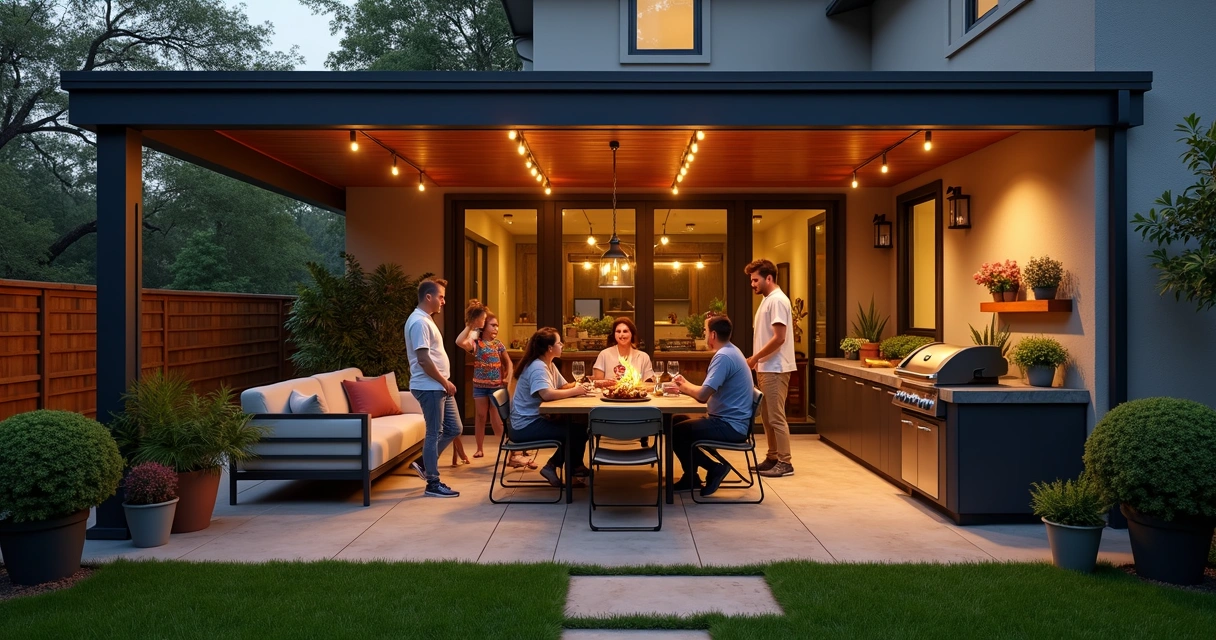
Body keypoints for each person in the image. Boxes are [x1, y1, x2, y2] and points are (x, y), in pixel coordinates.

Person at [670, 314, 755, 497]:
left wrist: (683, 387)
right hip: (732, 421)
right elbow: (705, 390)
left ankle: (715, 468)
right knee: (676, 421)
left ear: (713, 335)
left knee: (676, 432)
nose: (704, 334)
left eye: (705, 331)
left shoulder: (723, 356)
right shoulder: (732, 351)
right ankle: (691, 477)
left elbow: (702, 396)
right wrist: (684, 384)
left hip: (730, 426)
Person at [510, 327, 593, 488]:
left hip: (534, 420)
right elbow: (547, 394)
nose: (562, 345)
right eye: (559, 343)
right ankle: (555, 467)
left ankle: (574, 468)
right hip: (524, 425)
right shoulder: (538, 367)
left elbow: (562, 386)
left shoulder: (548, 364)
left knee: (581, 426)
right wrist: (575, 390)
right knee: (574, 432)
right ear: (550, 348)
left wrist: (581, 384)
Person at [405, 277, 462, 498]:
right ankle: (433, 483)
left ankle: (423, 462)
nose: (444, 301)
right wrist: (444, 381)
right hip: (430, 387)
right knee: (434, 432)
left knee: (454, 428)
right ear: (428, 297)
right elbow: (423, 359)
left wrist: (444, 382)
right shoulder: (419, 322)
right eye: (441, 297)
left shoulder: (426, 320)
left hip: (438, 386)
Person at [455, 304, 531, 468]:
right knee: (480, 416)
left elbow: (509, 362)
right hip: (480, 386)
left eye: (497, 325)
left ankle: (509, 447)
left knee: (497, 418)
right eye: (493, 325)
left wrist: (508, 377)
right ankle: (479, 448)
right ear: (484, 326)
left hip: (496, 386)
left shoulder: (498, 344)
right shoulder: (476, 343)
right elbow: (460, 342)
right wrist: (471, 325)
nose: (496, 328)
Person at [745, 258, 797, 478]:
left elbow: (779, 338)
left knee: (775, 417)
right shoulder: (768, 300)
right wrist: (758, 362)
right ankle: (773, 456)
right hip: (766, 367)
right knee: (767, 417)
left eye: (755, 280)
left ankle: (785, 462)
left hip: (775, 368)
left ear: (769, 278)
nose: (752, 284)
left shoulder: (777, 300)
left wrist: (754, 358)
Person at [590, 317, 655, 387]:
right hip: (610, 393)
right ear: (614, 334)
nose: (621, 335)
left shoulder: (643, 357)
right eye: (618, 331)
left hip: (635, 393)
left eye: (625, 331)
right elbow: (597, 384)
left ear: (632, 334)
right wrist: (609, 383)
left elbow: (650, 385)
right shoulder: (604, 354)